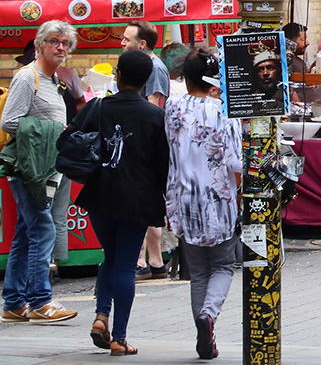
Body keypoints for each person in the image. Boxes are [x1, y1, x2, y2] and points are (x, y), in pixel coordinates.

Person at [73, 50, 170, 356]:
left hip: (100, 194)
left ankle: (101, 316)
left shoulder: (99, 106)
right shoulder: (155, 116)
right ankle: (119, 337)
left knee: (111, 256)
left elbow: (72, 138)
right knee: (126, 265)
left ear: (117, 75)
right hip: (136, 199)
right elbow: (163, 166)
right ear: (145, 81)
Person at [164, 49, 242, 360]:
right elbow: (236, 163)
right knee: (223, 265)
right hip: (217, 200)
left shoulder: (172, 107)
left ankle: (204, 339)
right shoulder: (222, 112)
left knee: (197, 272)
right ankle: (208, 316)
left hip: (183, 198)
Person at [1, 21, 79, 324]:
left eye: (65, 43)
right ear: (39, 45)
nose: (60, 47)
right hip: (28, 168)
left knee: (25, 233)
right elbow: (9, 121)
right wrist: (54, 129)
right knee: (42, 229)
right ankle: (40, 301)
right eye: (54, 42)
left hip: (45, 168)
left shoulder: (52, 80)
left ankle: (13, 302)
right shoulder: (27, 77)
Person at [121, 20, 171, 106]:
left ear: (142, 44)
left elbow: (154, 108)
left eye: (127, 40)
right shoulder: (139, 65)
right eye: (123, 38)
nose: (122, 43)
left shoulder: (155, 68)